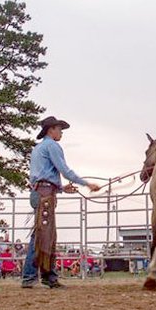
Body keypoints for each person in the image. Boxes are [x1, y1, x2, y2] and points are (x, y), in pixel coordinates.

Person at [21, 116, 100, 289]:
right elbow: (64, 170)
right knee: (44, 236)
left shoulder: (38, 148)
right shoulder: (52, 146)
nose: (61, 132)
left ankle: (41, 276)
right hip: (45, 195)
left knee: (43, 235)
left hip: (40, 192)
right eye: (59, 129)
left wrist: (62, 189)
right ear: (51, 130)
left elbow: (43, 175)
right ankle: (36, 276)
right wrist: (86, 184)